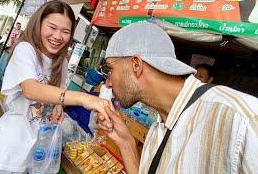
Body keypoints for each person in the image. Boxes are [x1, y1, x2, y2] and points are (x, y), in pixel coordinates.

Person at [98, 22, 258, 174]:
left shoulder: (238, 118)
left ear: (136, 65)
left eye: (110, 69)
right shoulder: (157, 131)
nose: (109, 82)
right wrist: (126, 144)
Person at [0, 0, 112, 174]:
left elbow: (55, 97)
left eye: (65, 32)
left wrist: (58, 107)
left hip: (36, 157)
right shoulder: (26, 50)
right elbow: (31, 90)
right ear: (38, 24)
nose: (57, 36)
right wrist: (84, 98)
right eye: (52, 27)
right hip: (7, 155)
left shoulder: (61, 63)